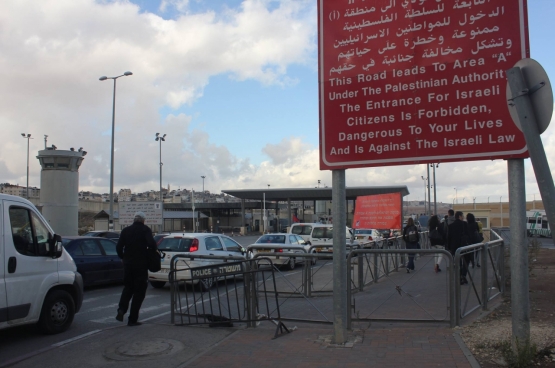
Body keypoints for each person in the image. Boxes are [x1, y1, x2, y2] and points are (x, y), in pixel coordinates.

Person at [116, 211, 157, 326]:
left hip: (128, 264)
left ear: (134, 219)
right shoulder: (145, 230)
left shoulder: (126, 230)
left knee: (128, 288)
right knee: (139, 292)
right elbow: (152, 244)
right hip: (141, 265)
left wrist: (122, 257)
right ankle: (132, 319)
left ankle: (121, 309)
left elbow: (119, 246)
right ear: (143, 220)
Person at [448, 211, 471, 285]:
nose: (463, 217)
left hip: (455, 247)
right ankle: (463, 275)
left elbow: (449, 237)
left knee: (458, 262)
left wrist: (449, 248)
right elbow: (468, 235)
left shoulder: (451, 225)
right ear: (459, 216)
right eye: (462, 216)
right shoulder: (464, 224)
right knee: (466, 260)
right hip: (464, 245)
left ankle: (459, 277)